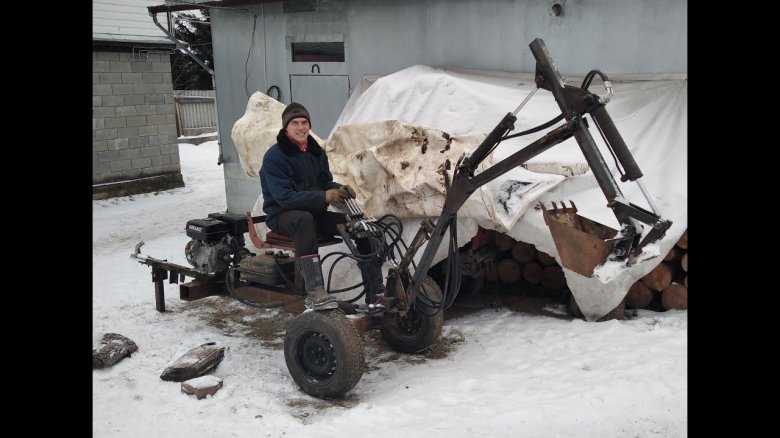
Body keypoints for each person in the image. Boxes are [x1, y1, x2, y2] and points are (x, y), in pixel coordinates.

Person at [259, 102, 363, 310]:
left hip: (314, 213)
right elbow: (285, 198)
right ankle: (315, 290)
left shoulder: (316, 151)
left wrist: (339, 189)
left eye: (304, 122)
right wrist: (325, 196)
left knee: (355, 224)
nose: (301, 127)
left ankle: (375, 285)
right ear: (285, 128)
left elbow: (324, 183)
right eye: (295, 123)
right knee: (303, 220)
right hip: (282, 214)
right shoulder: (275, 157)